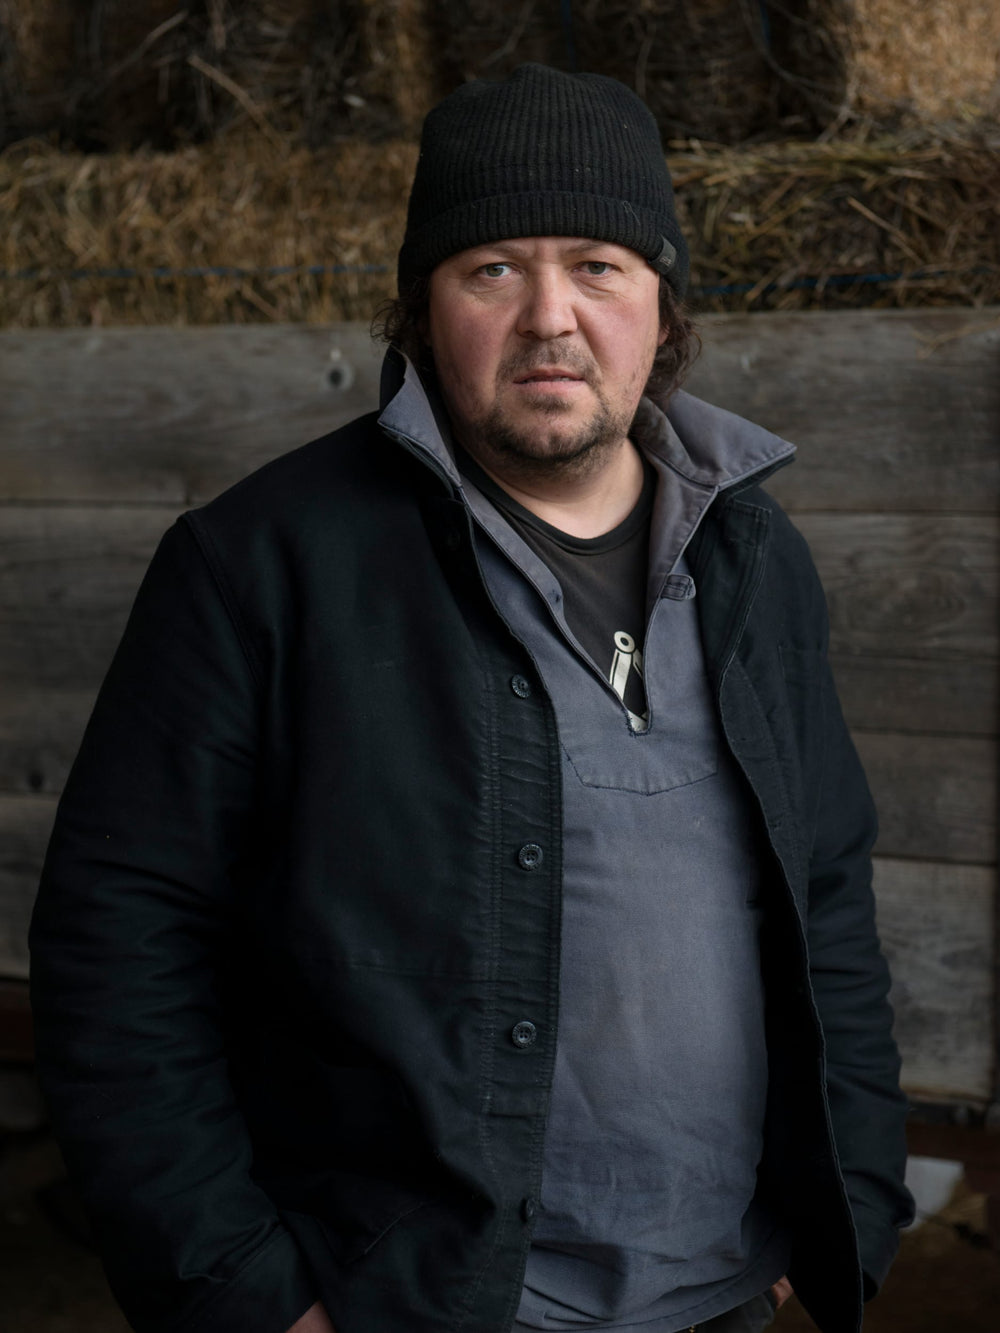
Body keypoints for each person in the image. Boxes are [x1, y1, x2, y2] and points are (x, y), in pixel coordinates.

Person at [30, 63, 913, 1333]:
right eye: (491, 267)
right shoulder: (264, 564)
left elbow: (826, 890)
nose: (550, 316)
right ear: (419, 310)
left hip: (724, 1288)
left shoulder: (751, 553)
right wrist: (240, 1290)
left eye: (598, 265)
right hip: (426, 1298)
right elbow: (120, 945)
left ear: (663, 306)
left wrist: (849, 1200)